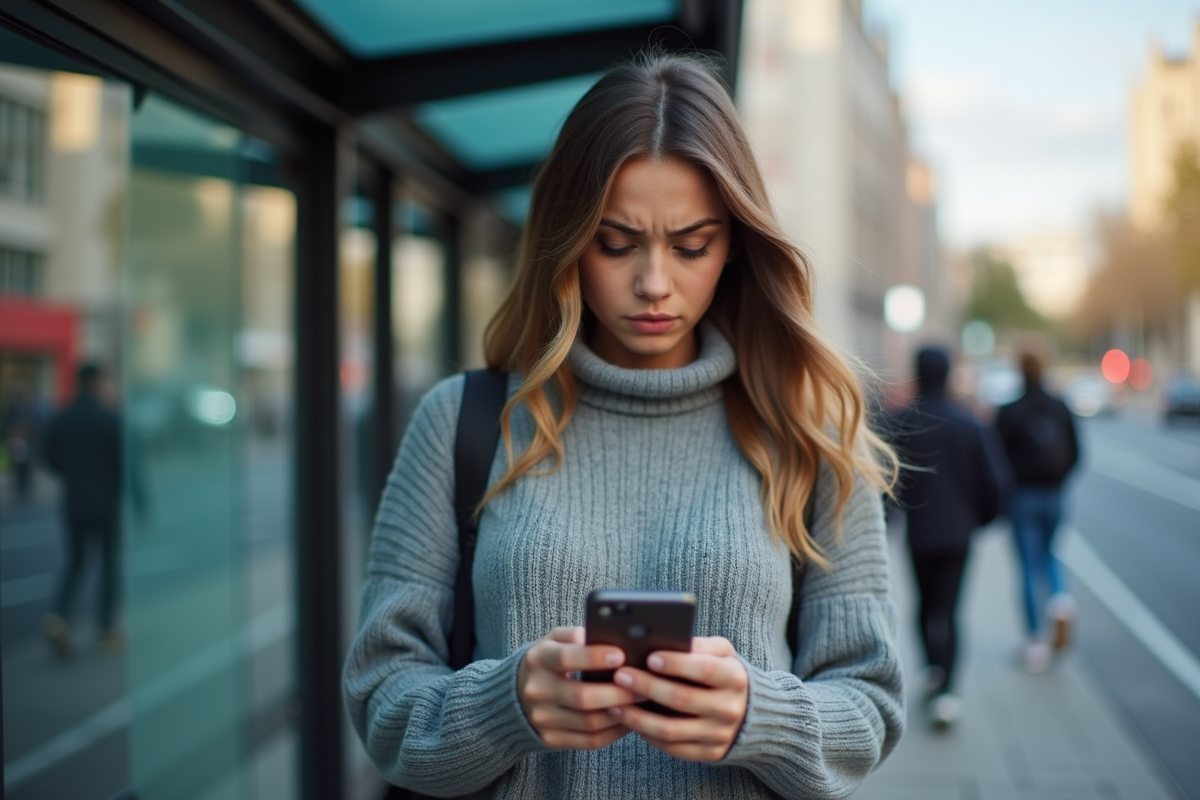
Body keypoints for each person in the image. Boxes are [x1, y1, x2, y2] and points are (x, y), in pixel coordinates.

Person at [343, 53, 904, 800]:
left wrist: (761, 715)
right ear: (568, 237)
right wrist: (506, 707)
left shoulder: (807, 429)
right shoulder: (461, 422)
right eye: (615, 242)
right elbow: (381, 698)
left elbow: (871, 702)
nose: (654, 283)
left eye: (692, 245)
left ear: (736, 244)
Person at [884, 347, 1007, 727]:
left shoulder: (902, 421)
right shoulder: (968, 423)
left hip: (920, 532)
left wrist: (887, 523)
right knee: (950, 610)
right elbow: (996, 482)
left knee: (924, 605)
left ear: (918, 373)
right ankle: (948, 691)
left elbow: (886, 481)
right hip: (958, 534)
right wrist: (979, 520)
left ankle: (932, 670)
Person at [995, 348, 1080, 673]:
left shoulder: (1009, 411)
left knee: (1029, 565)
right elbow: (1076, 453)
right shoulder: (1059, 406)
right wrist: (1058, 480)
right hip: (1054, 494)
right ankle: (1061, 600)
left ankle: (1034, 641)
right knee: (1051, 553)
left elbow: (996, 459)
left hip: (1022, 496)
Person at [42, 362, 124, 658]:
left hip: (74, 499)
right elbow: (124, 462)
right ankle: (106, 629)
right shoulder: (110, 419)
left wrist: (74, 474)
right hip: (106, 500)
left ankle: (59, 617)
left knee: (75, 560)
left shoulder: (61, 417)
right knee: (108, 563)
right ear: (98, 383)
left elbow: (48, 457)